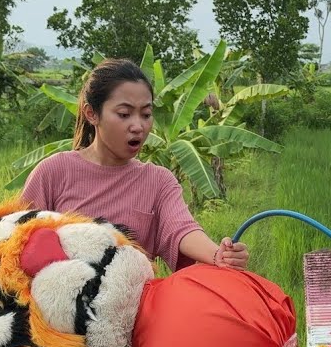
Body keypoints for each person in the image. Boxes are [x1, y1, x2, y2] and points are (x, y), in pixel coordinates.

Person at [21, 58, 247, 272]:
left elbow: (182, 229)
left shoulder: (158, 181)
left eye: (146, 114)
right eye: (124, 114)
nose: (138, 126)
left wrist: (218, 254)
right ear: (92, 114)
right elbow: (15, 241)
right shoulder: (53, 172)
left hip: (134, 308)